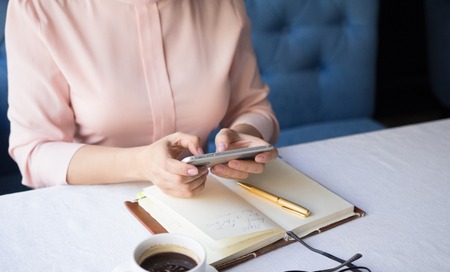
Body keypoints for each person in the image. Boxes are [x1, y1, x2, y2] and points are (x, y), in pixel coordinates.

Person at [5, 0, 279, 197]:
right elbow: (35, 151)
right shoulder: (37, 8)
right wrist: (141, 163)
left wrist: (243, 138)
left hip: (202, 198)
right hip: (91, 202)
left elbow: (252, 106)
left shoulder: (223, 5)